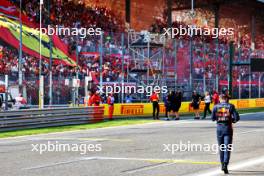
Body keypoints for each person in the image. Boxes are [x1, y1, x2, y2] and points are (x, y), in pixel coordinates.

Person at [211, 94, 240, 174]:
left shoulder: (216, 106)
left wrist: (219, 118)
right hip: (228, 128)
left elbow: (212, 118)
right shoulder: (231, 106)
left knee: (222, 148)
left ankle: (222, 165)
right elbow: (237, 117)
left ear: (220, 99)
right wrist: (232, 120)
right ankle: (225, 164)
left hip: (219, 129)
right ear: (226, 99)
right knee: (227, 147)